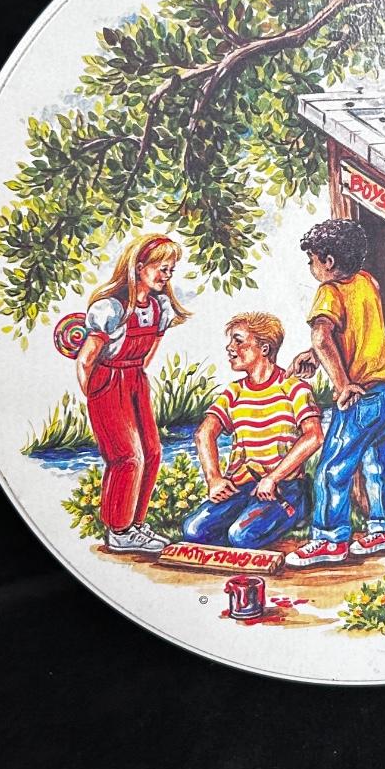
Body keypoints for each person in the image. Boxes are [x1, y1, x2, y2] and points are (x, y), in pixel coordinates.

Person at [285, 219, 385, 568]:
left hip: (358, 395)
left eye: (311, 260)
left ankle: (329, 539)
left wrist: (341, 385)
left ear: (328, 261)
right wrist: (314, 357)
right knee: (382, 464)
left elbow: (322, 337)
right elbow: (352, 334)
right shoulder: (367, 282)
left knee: (333, 469)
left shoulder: (330, 291)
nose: (311, 268)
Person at [76, 234, 190, 554]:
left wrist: (135, 377)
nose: (167, 275)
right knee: (127, 456)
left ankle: (136, 524)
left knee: (152, 453)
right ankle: (118, 529)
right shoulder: (112, 308)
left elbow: (149, 353)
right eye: (162, 268)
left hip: (136, 380)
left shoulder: (159, 307)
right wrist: (96, 393)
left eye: (171, 270)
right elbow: (86, 360)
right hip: (109, 380)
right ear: (140, 267)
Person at [181, 313, 323, 548]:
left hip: (281, 487)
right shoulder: (234, 392)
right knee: (194, 530)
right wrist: (214, 479)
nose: (230, 348)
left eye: (238, 341)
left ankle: (299, 508)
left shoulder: (294, 388)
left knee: (241, 536)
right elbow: (204, 433)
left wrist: (273, 478)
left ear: (264, 348)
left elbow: (314, 436)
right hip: (242, 487)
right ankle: (248, 516)